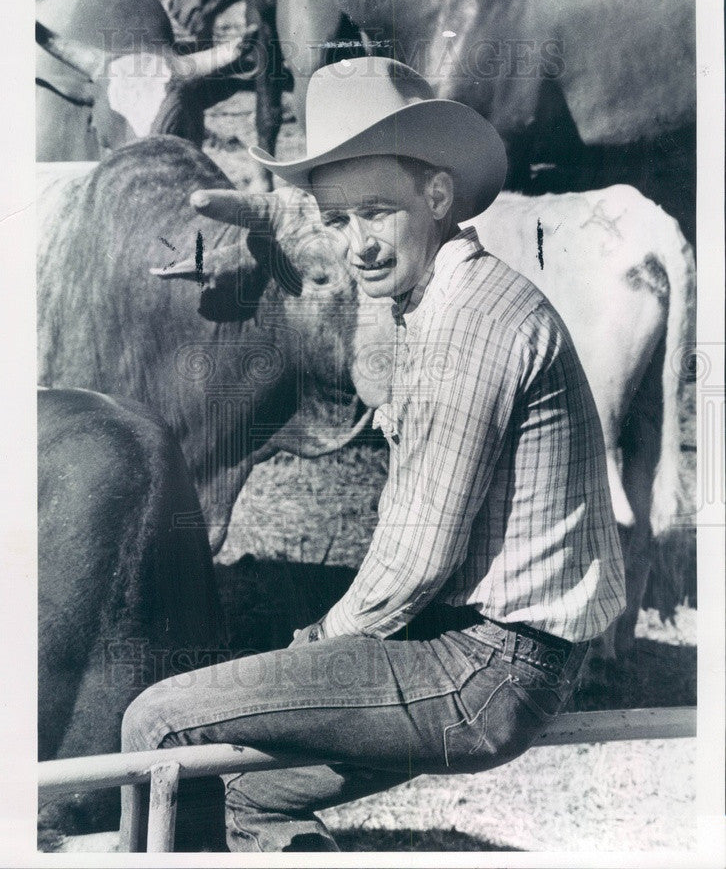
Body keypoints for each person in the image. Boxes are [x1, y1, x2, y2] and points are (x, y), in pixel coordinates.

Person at [120, 57, 627, 852]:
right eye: (338, 220)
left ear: (437, 195)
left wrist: (313, 648)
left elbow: (417, 557)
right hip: (490, 652)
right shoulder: (445, 298)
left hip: (486, 671)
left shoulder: (467, 325)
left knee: (157, 719)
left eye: (376, 213)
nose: (357, 246)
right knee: (246, 792)